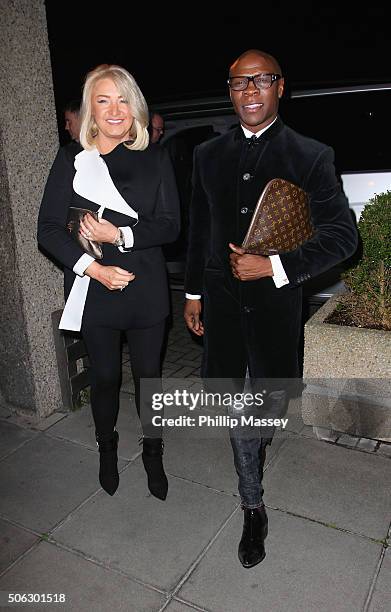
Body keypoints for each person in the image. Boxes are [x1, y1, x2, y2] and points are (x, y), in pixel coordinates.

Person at [184, 49, 358, 568]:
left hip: (275, 307)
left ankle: (253, 487)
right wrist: (193, 292)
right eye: (240, 83)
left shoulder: (310, 154)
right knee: (233, 408)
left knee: (261, 407)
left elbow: (343, 237)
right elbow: (200, 230)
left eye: (262, 81)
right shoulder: (207, 155)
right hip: (221, 303)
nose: (251, 91)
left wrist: (276, 266)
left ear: (281, 87)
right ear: (230, 90)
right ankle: (251, 492)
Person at [38, 64, 180, 500]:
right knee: (103, 378)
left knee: (149, 377)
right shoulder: (71, 159)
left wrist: (120, 235)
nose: (114, 109)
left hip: (146, 288)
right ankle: (106, 445)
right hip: (94, 287)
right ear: (90, 110)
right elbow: (47, 230)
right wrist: (94, 269)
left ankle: (152, 451)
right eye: (103, 100)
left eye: (122, 99)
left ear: (134, 106)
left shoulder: (155, 157)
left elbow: (171, 226)